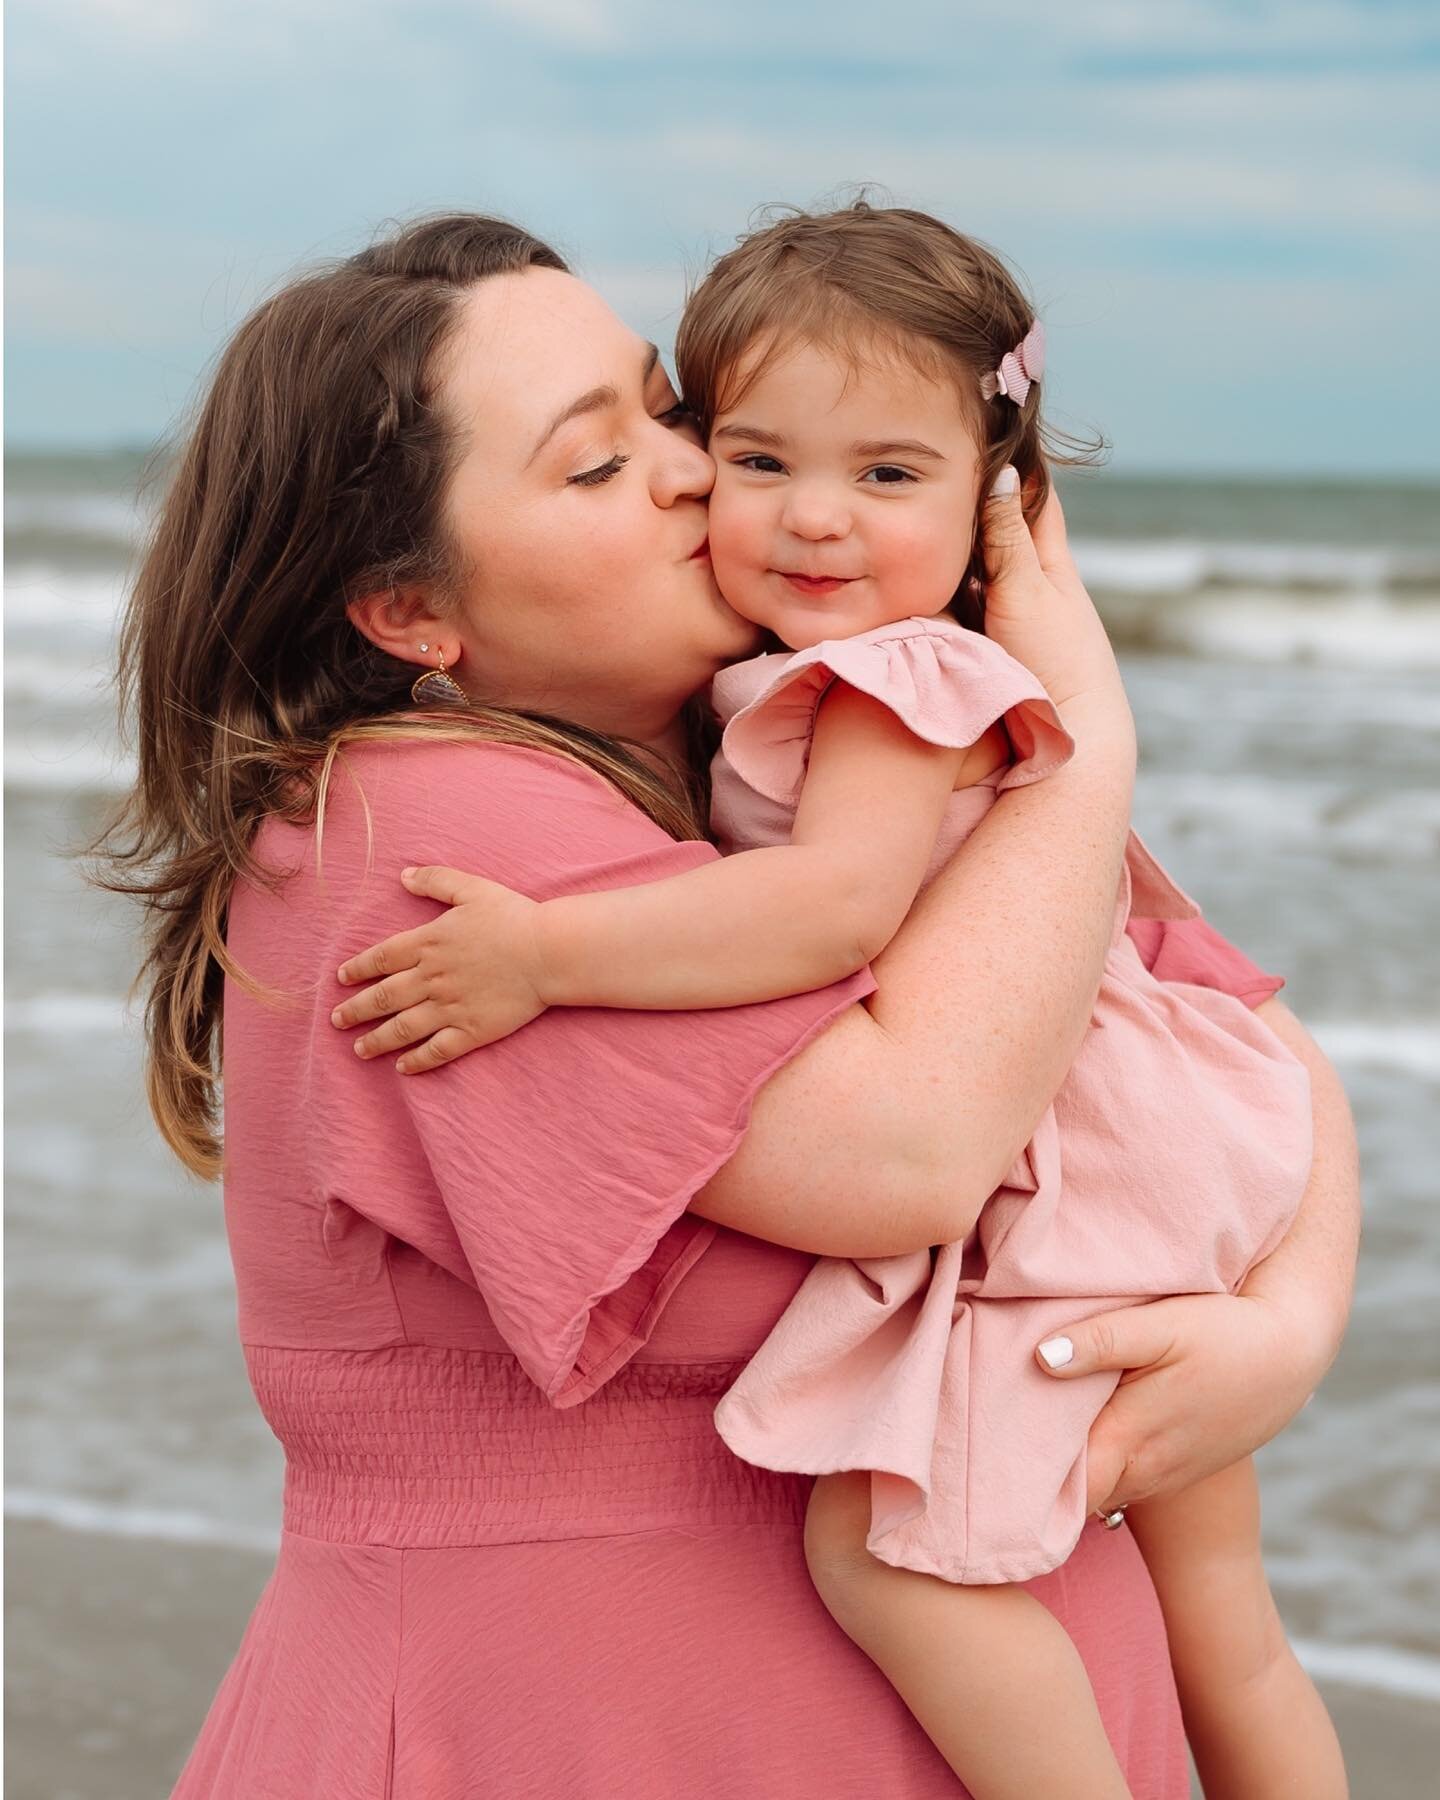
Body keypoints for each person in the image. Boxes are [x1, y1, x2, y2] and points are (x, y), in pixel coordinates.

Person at [94, 213, 1359, 1799]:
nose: (694, 475)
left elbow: (1225, 1039)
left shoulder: (750, 775)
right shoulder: (426, 835)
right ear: (412, 613)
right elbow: (903, 1160)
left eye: (664, 412)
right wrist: (1087, 738)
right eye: (595, 463)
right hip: (599, 1734)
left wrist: (1282, 1330)